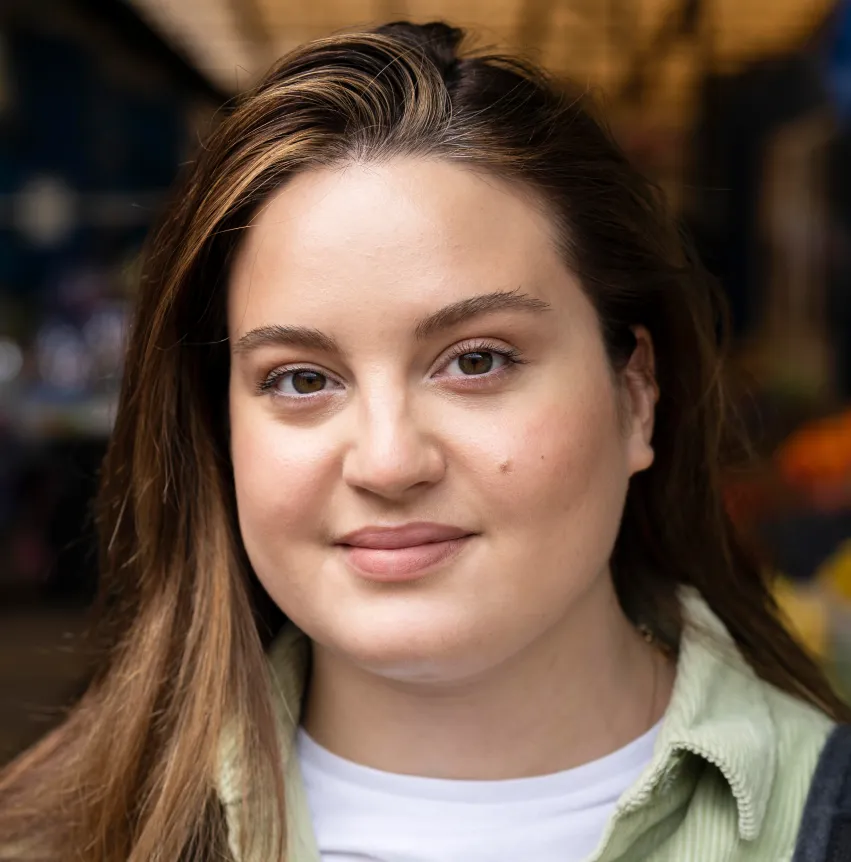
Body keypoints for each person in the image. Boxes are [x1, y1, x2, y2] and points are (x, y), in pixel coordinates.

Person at [0, 20, 848, 862]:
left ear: (634, 398)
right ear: (218, 433)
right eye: (301, 379)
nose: (388, 462)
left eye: (475, 361)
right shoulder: (52, 840)